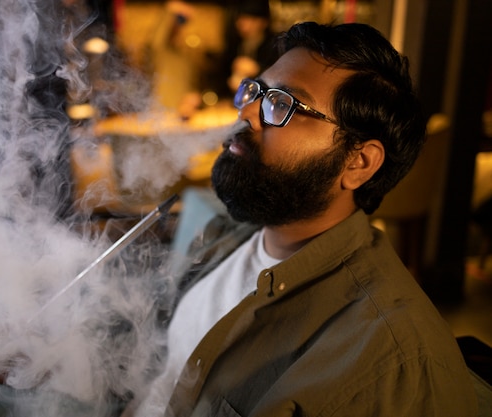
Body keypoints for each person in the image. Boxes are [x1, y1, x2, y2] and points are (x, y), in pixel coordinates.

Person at [130, 21, 479, 417]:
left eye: (281, 104)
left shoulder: (392, 362)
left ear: (358, 163)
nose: (246, 113)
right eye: (255, 91)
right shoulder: (229, 232)